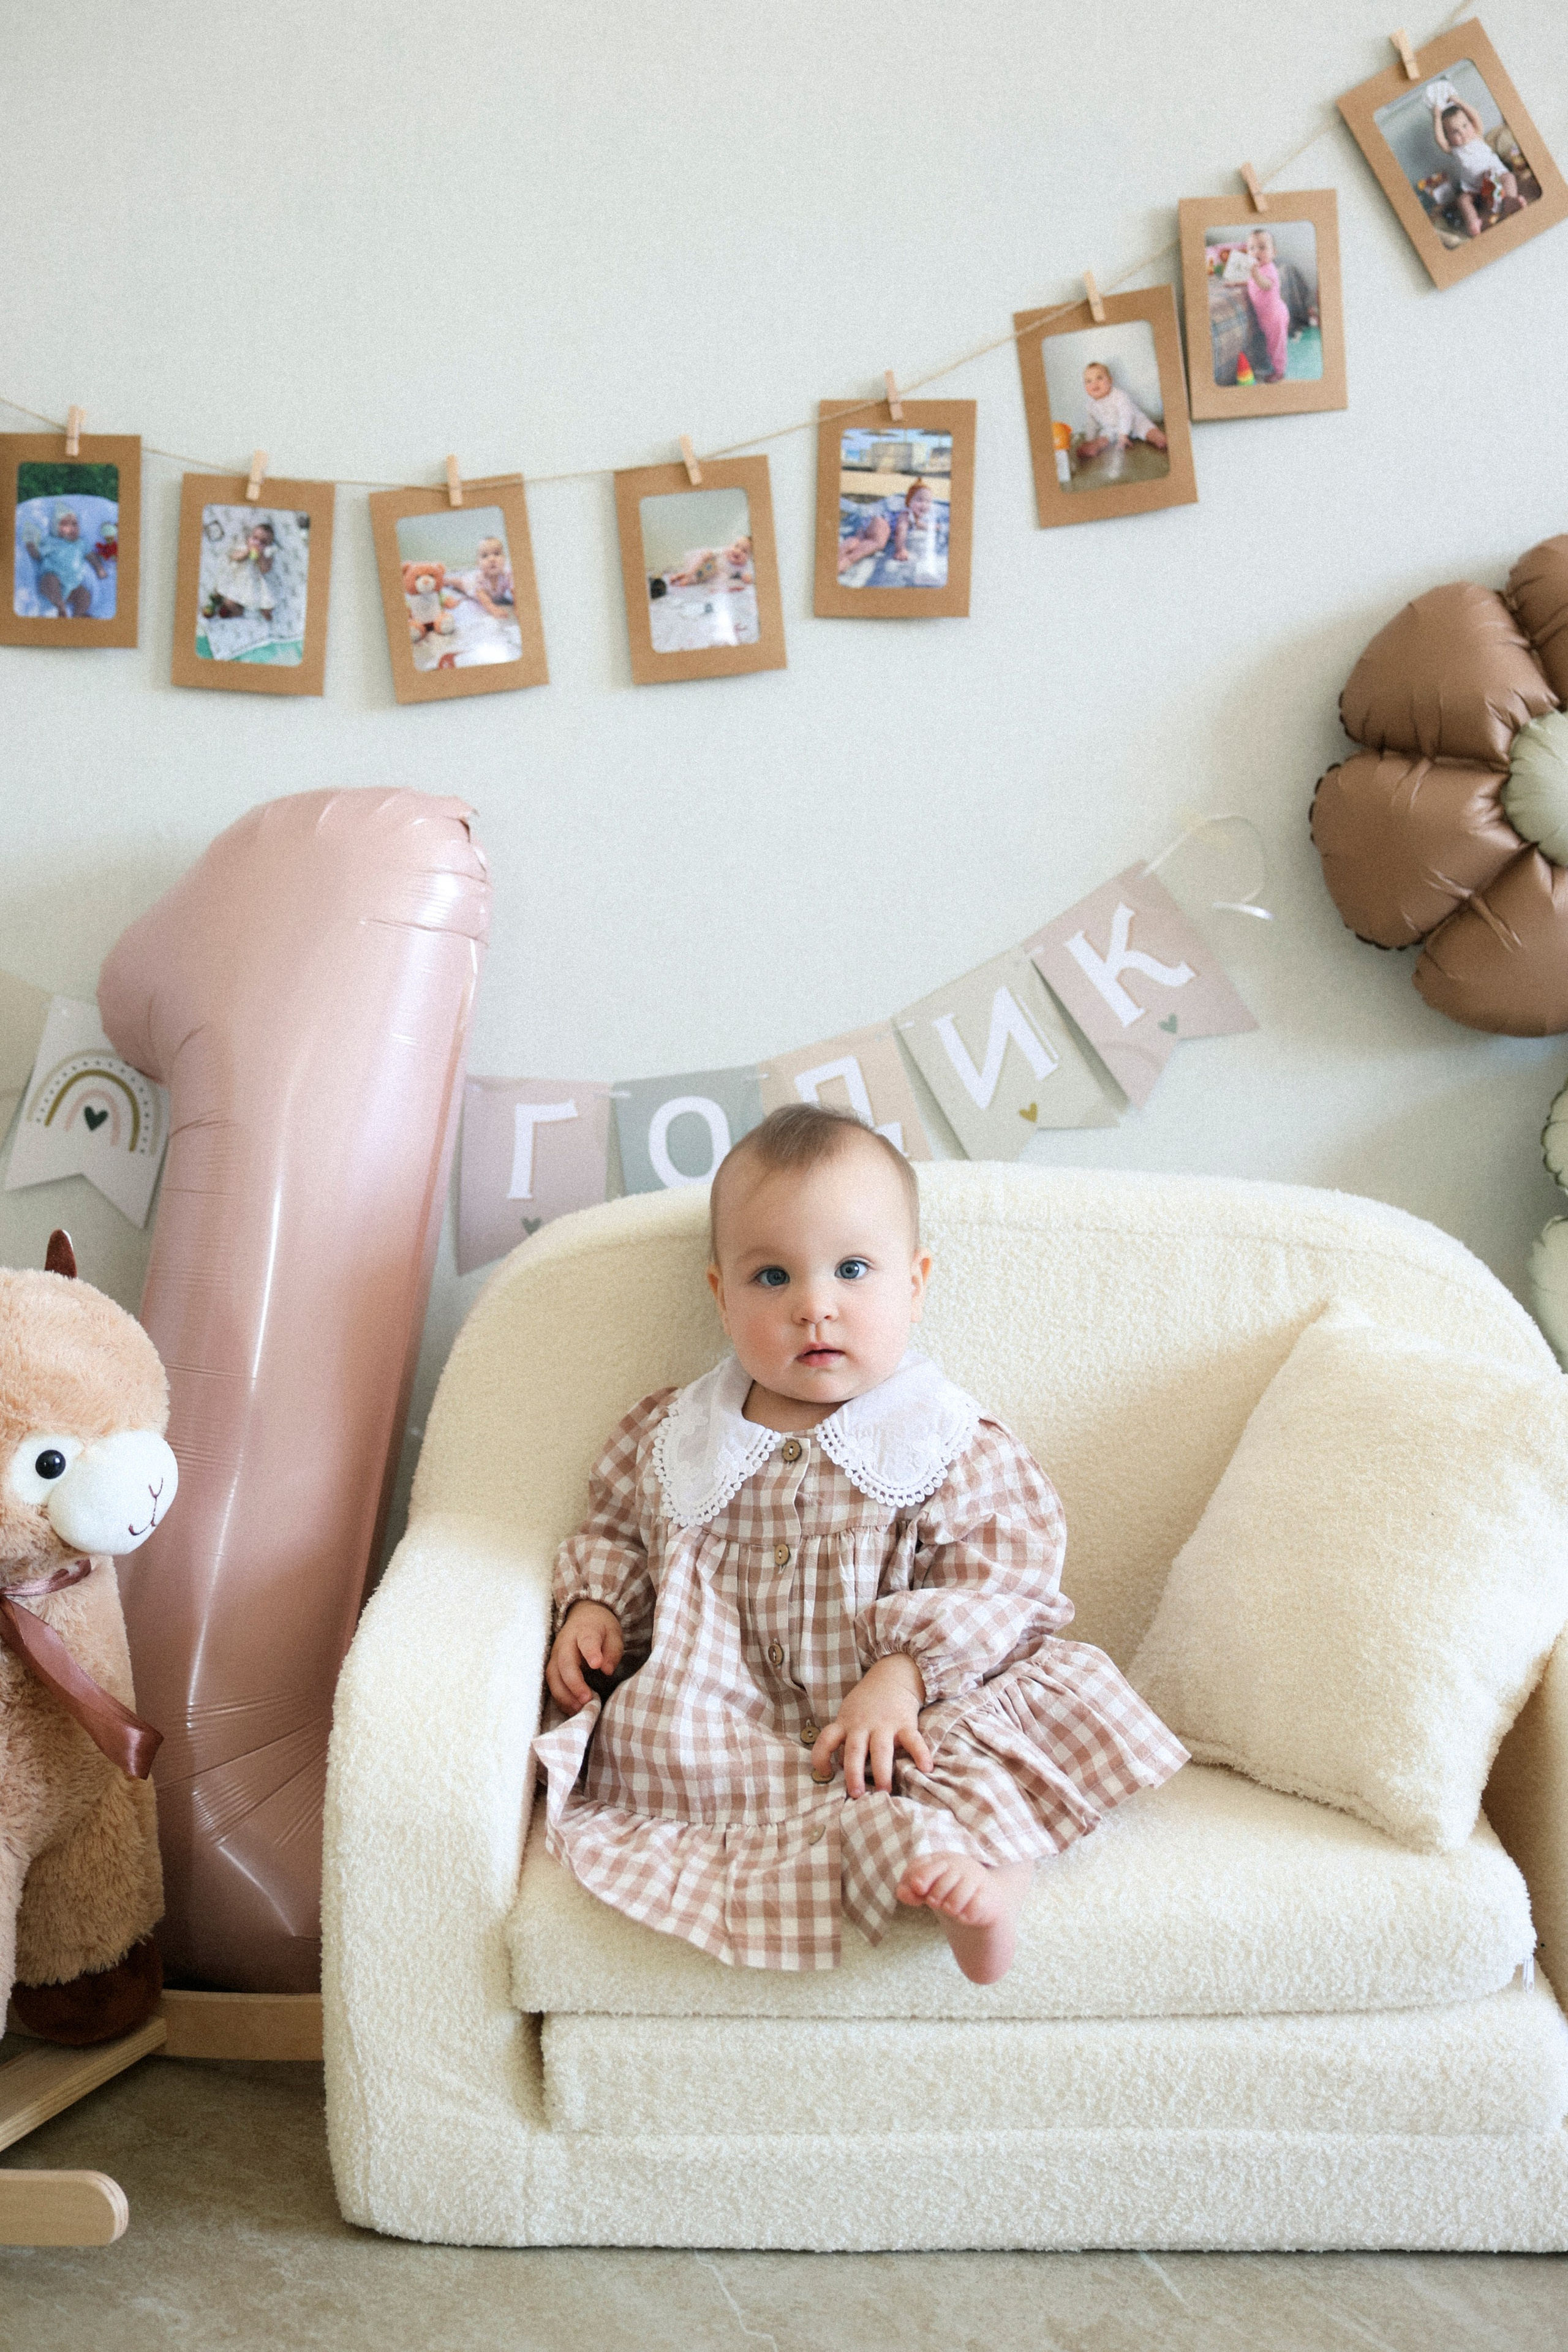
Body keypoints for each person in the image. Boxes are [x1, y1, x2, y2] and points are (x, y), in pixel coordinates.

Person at [535, 1104, 1185, 1985]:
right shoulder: (675, 1437)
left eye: (852, 1270)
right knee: (660, 1742)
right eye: (772, 1277)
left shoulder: (945, 1439)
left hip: (913, 1705)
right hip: (734, 1710)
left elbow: (1002, 1578)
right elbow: (617, 1528)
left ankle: (991, 1883)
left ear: (914, 1285)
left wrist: (903, 1676)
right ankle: (902, 1861)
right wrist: (596, 1605)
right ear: (721, 1295)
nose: (815, 1307)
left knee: (968, 1749)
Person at [1430, 88, 1519, 238]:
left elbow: (1476, 116)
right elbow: (1440, 140)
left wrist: (1460, 102)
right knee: (1462, 200)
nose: (1463, 132)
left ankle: (1510, 200)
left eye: (1465, 126)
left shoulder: (1477, 135)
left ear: (1471, 124)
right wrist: (1437, 118)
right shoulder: (1454, 149)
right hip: (1474, 187)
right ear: (1449, 137)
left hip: (1495, 174)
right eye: (1455, 132)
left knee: (1509, 178)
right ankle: (1473, 222)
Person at [1075, 362, 1169, 466]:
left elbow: (1126, 415)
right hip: (1112, 429)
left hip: (1134, 422)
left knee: (1147, 429)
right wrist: (1090, 439)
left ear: (1110, 381)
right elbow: (1091, 424)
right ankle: (1093, 447)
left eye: (1099, 378)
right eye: (1088, 381)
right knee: (1103, 438)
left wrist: (1124, 435)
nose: (1094, 383)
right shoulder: (1090, 405)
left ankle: (1159, 438)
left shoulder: (1119, 396)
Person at [837, 480, 937, 577]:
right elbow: (901, 531)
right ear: (909, 501)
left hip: (870, 523)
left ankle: (839, 554)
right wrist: (900, 549)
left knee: (858, 541)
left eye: (928, 502)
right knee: (878, 543)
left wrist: (934, 527)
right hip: (882, 522)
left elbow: (919, 525)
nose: (924, 505)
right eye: (919, 500)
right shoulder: (906, 515)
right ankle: (849, 560)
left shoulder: (914, 519)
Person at [23, 504, 108, 619]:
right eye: (65, 524)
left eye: (75, 524)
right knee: (49, 581)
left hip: (73, 587)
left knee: (85, 596)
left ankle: (78, 615)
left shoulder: (81, 543)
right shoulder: (52, 542)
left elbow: (91, 556)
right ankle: (61, 607)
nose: (71, 527)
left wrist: (99, 568)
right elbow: (38, 556)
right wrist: (31, 547)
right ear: (56, 529)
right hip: (53, 579)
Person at [1244, 228, 1291, 383]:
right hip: (1267, 315)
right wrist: (1237, 282)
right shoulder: (1257, 270)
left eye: (1262, 247)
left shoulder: (1270, 269)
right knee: (1272, 343)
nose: (1257, 252)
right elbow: (1252, 283)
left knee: (1277, 345)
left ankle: (1280, 371)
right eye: (1252, 248)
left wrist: (1255, 274)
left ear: (1274, 253)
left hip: (1274, 316)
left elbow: (1265, 285)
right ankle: (1272, 364)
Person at [207, 519, 277, 621]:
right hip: (237, 581)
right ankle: (235, 611)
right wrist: (247, 553)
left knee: (267, 603)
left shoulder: (267, 555)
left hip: (255, 585)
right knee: (228, 601)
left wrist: (261, 557)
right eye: (255, 538)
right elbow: (234, 557)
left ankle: (264, 611)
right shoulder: (244, 546)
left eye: (263, 542)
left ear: (268, 546)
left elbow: (266, 570)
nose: (257, 543)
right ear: (250, 537)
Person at [449, 535, 515, 619]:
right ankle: (447, 581)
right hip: (471, 585)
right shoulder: (479, 578)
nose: (492, 559)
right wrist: (493, 608)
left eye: (497, 554)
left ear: (504, 558)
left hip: (492, 593)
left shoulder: (507, 574)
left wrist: (518, 606)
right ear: (478, 563)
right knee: (460, 583)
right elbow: (482, 596)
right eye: (485, 556)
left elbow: (514, 590)